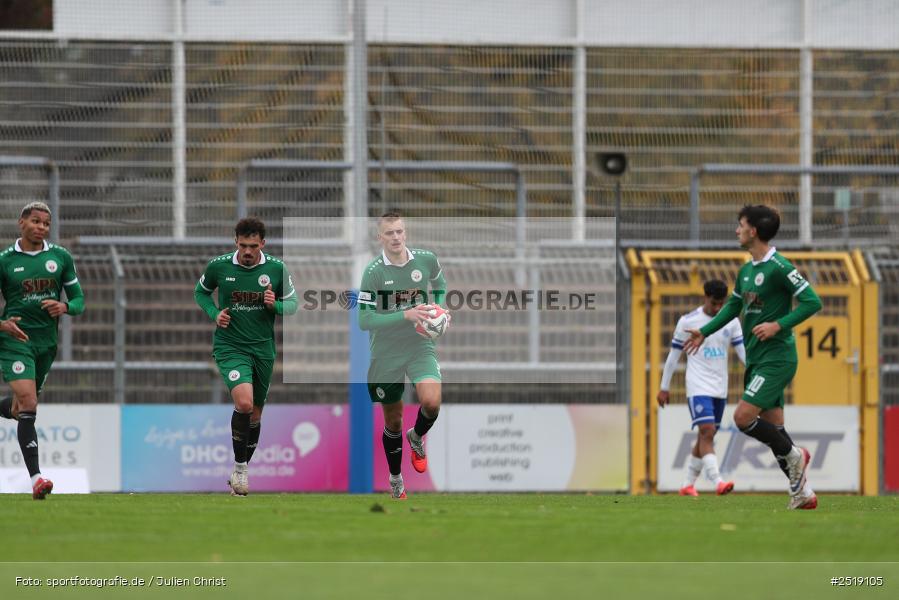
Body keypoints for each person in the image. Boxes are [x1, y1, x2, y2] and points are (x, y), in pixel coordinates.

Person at [683, 205, 822, 509]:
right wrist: (704, 331)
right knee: (776, 432)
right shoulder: (747, 270)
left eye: (741, 225)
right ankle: (803, 494)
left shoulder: (780, 267)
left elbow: (812, 302)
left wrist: (778, 325)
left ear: (753, 231)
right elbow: (734, 307)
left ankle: (797, 454)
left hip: (778, 358)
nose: (737, 230)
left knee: (743, 417)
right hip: (758, 358)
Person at [194, 217, 297, 496]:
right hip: (230, 347)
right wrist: (215, 314)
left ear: (263, 243)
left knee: (255, 415)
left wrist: (274, 304)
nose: (248, 251)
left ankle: (240, 471)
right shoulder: (219, 266)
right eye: (243, 246)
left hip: (263, 348)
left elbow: (293, 305)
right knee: (244, 403)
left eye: (253, 246)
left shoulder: (276, 268)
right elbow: (201, 293)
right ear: (235, 242)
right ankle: (241, 470)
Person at [357, 213, 448, 500]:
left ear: (405, 233)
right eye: (389, 233)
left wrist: (440, 310)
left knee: (431, 403)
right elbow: (364, 320)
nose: (395, 237)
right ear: (379, 238)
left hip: (419, 345)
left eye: (399, 232)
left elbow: (441, 285)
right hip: (386, 352)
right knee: (393, 421)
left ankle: (417, 436)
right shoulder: (373, 272)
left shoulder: (426, 260)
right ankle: (396, 479)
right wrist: (405, 314)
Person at [0, 202, 85, 500]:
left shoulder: (60, 257)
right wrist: (2, 325)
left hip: (46, 344)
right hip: (15, 342)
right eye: (35, 221)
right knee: (29, 403)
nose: (41, 227)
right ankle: (36, 478)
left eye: (46, 223)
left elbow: (78, 300)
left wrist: (64, 306)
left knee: (18, 408)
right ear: (21, 222)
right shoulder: (5, 261)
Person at [658, 279, 745, 497]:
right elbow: (673, 356)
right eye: (714, 303)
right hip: (697, 385)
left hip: (720, 387)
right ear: (705, 297)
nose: (717, 309)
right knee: (707, 432)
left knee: (706, 436)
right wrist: (664, 387)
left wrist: (755, 371)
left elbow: (743, 352)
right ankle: (718, 482)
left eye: (721, 304)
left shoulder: (731, 321)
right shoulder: (688, 321)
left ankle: (687, 485)